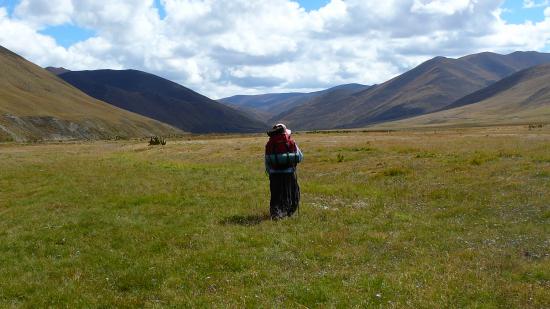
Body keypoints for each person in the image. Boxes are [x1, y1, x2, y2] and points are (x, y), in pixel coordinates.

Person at [265, 123, 303, 219]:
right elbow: (300, 156)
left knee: (276, 195)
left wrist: (269, 172)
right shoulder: (290, 142)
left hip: (274, 174)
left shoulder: (269, 144)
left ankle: (275, 214)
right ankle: (289, 212)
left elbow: (266, 160)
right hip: (289, 173)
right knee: (291, 193)